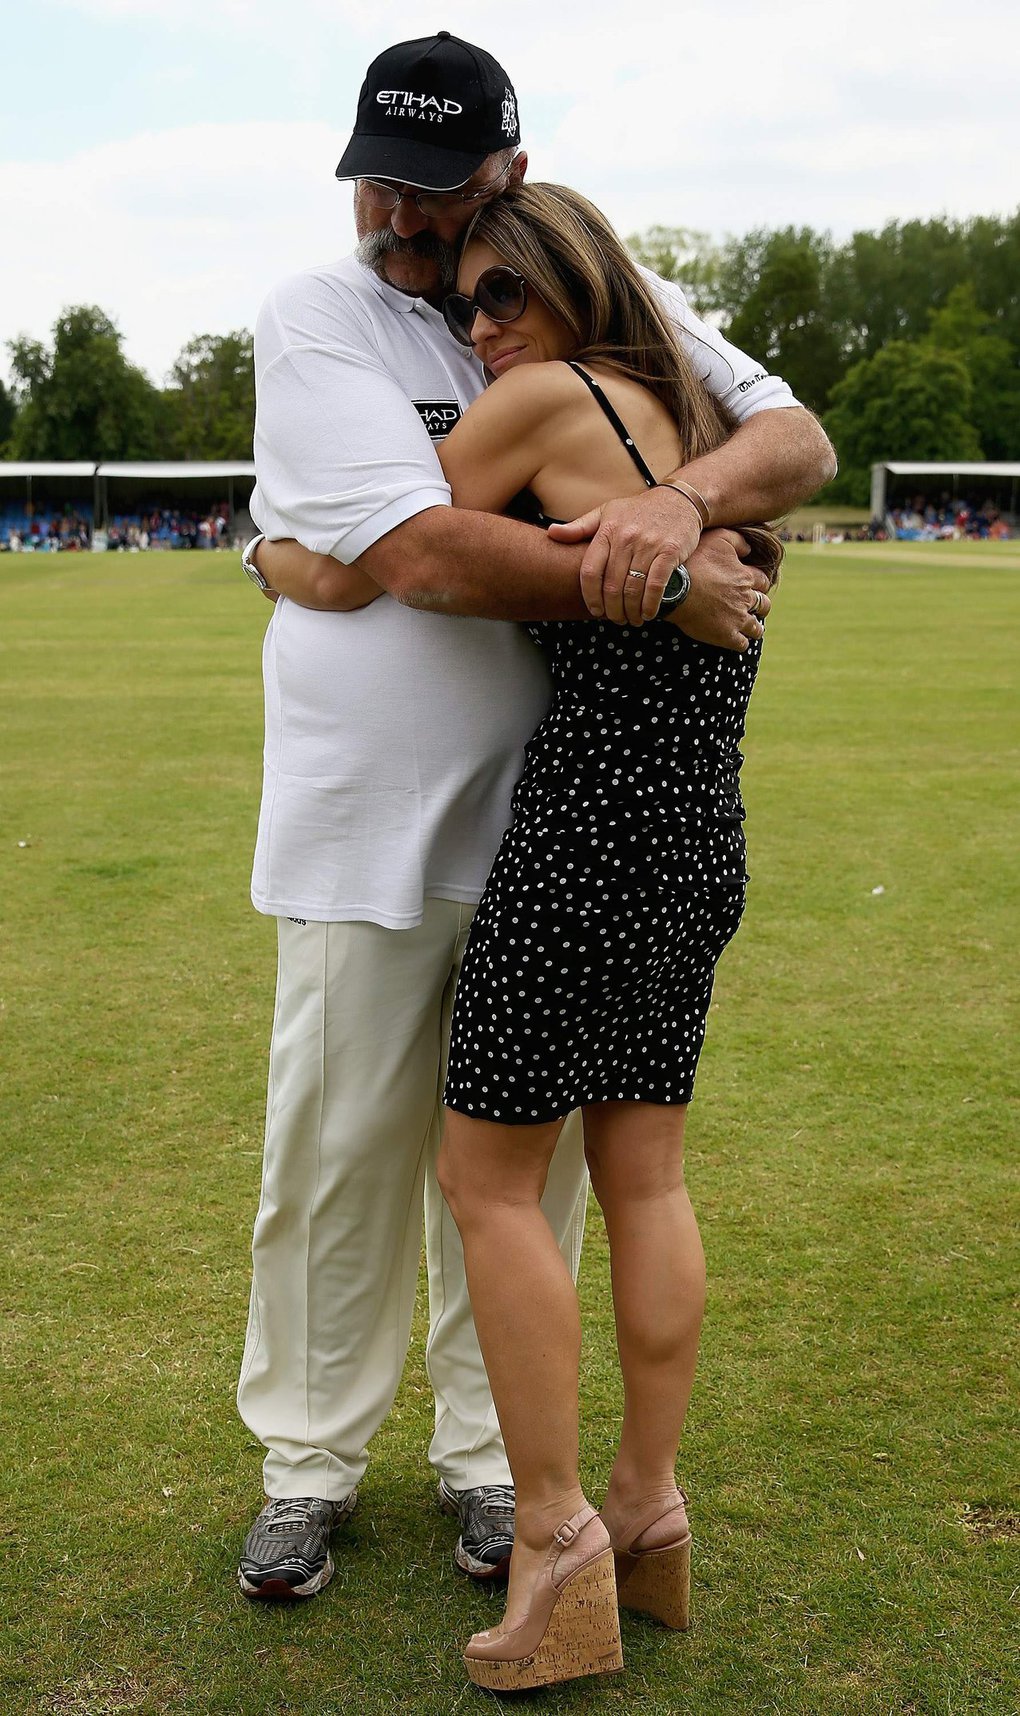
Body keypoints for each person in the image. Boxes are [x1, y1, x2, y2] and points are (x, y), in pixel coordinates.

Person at [236, 30, 836, 1604]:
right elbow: (414, 550)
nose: (407, 228)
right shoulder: (320, 313)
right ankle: (308, 1464)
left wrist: (686, 507)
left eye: (439, 197)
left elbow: (794, 439)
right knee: (344, 1151)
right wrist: (654, 576)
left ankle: (498, 1469)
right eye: (381, 185)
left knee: (522, 1182)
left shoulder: (569, 295)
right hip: (375, 820)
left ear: (511, 177)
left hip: (547, 822)